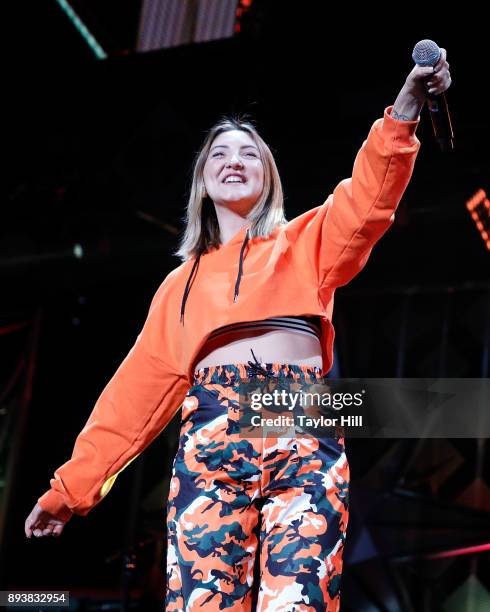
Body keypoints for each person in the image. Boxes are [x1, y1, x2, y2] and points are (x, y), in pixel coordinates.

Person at [25, 50, 451, 610]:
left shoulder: (306, 244)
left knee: (300, 600)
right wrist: (70, 490)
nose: (234, 159)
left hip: (298, 415)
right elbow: (133, 399)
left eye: (250, 153)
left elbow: (369, 198)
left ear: (267, 178)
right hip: (212, 431)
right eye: (219, 152)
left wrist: (406, 106)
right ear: (202, 178)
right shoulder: (178, 287)